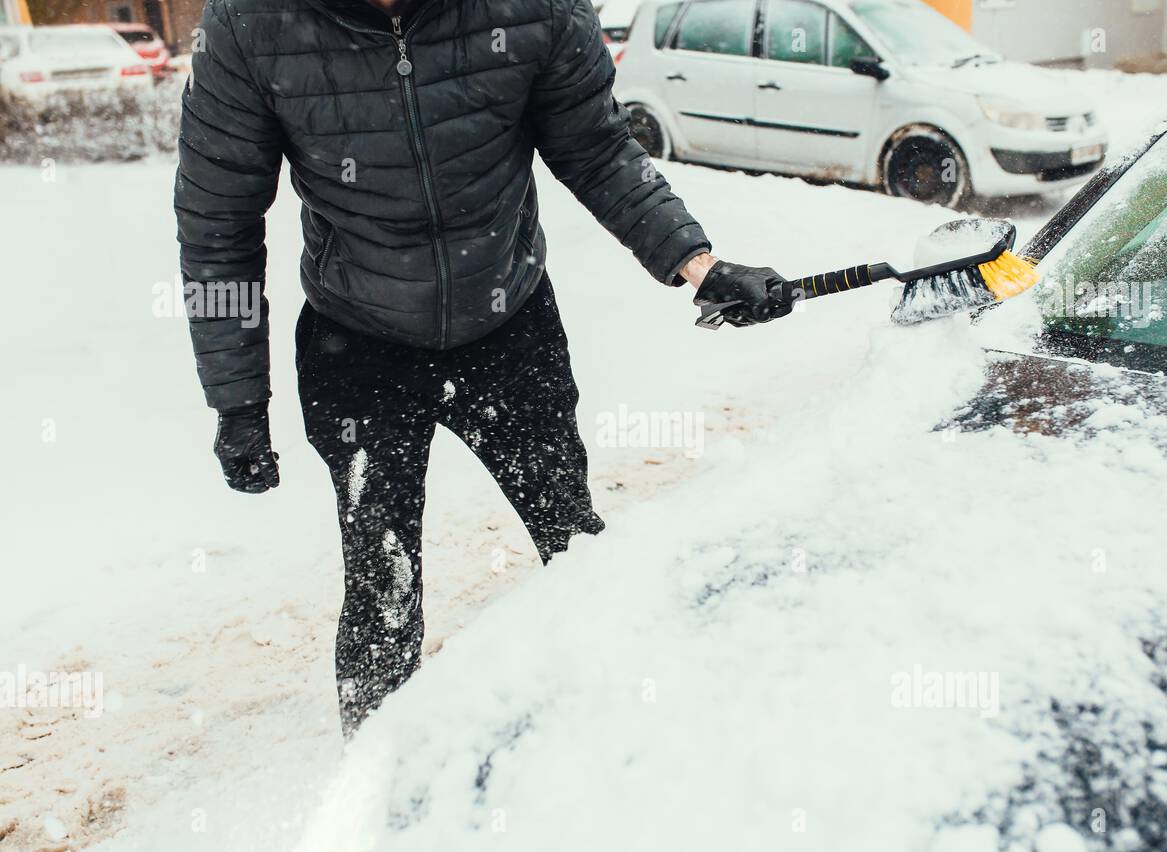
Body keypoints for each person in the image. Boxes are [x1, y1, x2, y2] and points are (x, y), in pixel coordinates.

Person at [176, 0, 791, 734]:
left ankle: (622, 726)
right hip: (357, 340)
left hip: (507, 321)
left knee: (576, 544)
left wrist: (699, 264)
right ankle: (382, 785)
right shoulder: (253, 24)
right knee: (383, 584)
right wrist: (238, 400)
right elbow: (219, 226)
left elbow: (597, 150)